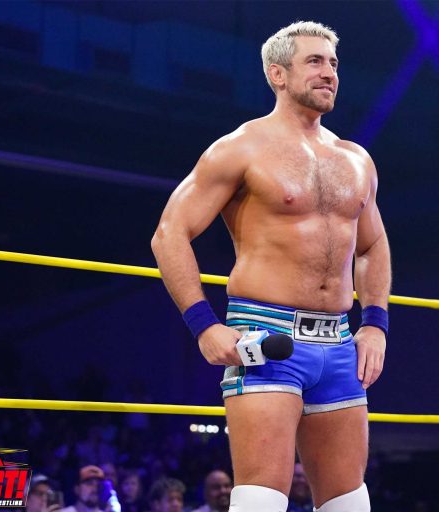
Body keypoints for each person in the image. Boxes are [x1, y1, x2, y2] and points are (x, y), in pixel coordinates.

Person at [152, 19, 390, 512]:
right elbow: (169, 233)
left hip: (338, 341)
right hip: (265, 335)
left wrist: (375, 325)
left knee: (349, 503)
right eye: (314, 61)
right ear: (277, 74)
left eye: (333, 64)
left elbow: (372, 245)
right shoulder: (241, 148)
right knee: (260, 500)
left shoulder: (356, 159)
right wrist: (204, 326)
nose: (329, 73)